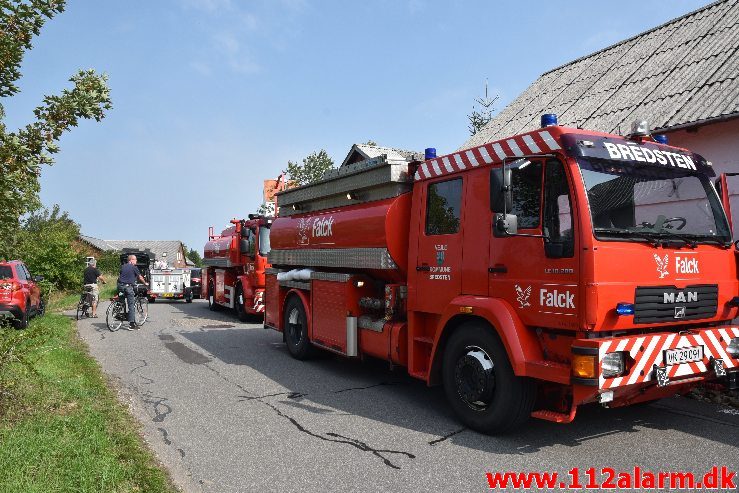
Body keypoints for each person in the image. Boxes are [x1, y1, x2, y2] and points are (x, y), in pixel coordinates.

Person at [118, 254, 148, 330]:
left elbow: (120, 276)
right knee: (131, 305)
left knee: (121, 301)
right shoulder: (134, 268)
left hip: (120, 287)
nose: (136, 261)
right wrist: (145, 283)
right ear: (131, 260)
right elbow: (140, 277)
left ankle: (118, 313)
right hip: (128, 288)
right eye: (135, 259)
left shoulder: (123, 266)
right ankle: (131, 325)